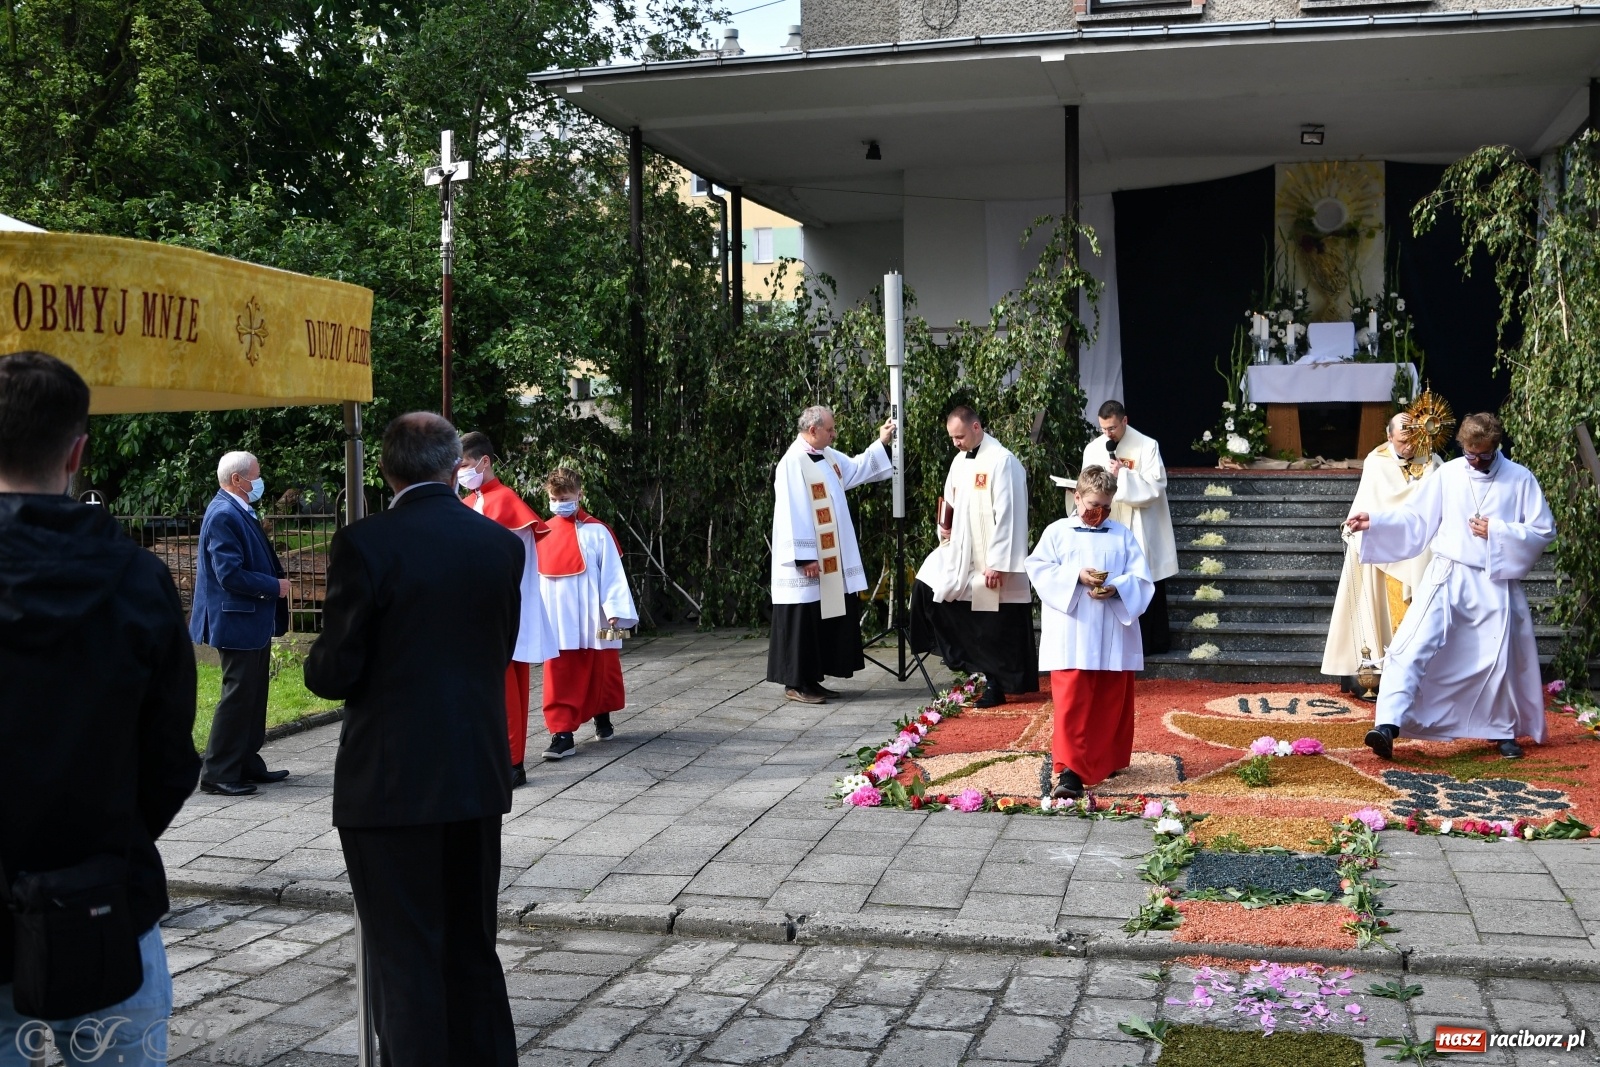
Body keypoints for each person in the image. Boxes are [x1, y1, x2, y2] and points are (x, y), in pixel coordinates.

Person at [0, 351, 199, 1066]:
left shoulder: (136, 576)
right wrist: (111, 834)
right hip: (105, 893)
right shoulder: (139, 579)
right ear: (78, 450)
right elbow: (172, 753)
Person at [305, 412, 522, 1067]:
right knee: (470, 946)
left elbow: (334, 670)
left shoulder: (366, 544)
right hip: (475, 770)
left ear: (386, 469)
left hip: (391, 780)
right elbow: (499, 648)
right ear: (454, 464)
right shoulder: (500, 544)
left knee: (405, 955)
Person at [1345, 413, 1555, 761]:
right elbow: (1416, 518)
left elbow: (1542, 530)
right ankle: (1387, 726)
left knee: (1496, 659)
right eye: (1470, 454)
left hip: (1494, 581)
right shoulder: (1449, 473)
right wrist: (1375, 520)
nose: (1476, 462)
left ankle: (1501, 731)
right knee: (1409, 645)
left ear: (1496, 447)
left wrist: (1499, 532)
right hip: (1447, 573)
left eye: (1483, 455)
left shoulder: (1520, 479)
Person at [1025, 465, 1153, 800]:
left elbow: (1142, 580)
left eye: (1106, 507)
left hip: (1112, 629)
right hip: (1073, 630)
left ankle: (1103, 759)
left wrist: (1117, 588)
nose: (1099, 514)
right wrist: (1075, 577)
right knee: (1072, 701)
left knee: (1109, 700)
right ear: (1076, 497)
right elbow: (1037, 568)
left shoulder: (1122, 535)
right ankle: (1070, 770)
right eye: (1093, 506)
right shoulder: (1057, 532)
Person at [767, 406, 895, 703]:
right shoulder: (792, 462)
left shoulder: (827, 456)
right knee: (803, 619)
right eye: (830, 430)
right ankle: (796, 683)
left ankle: (812, 679)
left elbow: (857, 469)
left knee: (820, 619)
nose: (834, 434)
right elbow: (791, 511)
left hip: (828, 561)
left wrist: (882, 442)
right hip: (808, 563)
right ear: (813, 430)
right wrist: (804, 557)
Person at [912, 405, 1036, 708]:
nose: (956, 442)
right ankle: (959, 657)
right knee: (926, 583)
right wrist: (944, 527)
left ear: (977, 427)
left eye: (960, 436)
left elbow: (1009, 515)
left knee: (991, 622)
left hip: (991, 560)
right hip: (960, 549)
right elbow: (950, 500)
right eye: (952, 437)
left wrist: (998, 563)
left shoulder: (1002, 461)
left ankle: (997, 684)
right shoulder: (959, 461)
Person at [458, 432, 559, 786]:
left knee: (506, 688)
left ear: (484, 462)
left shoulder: (504, 501)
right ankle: (505, 759)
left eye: (466, 466)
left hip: (501, 609)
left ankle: (511, 762)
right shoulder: (473, 501)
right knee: (500, 687)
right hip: (490, 610)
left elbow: (506, 565)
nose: (461, 473)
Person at [189, 449, 291, 796]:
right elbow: (228, 573)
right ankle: (218, 772)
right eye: (256, 475)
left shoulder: (237, 510)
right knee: (238, 695)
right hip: (236, 619)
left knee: (252, 693)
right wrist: (273, 586)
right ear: (237, 479)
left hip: (249, 619)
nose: (259, 482)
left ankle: (245, 762)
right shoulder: (223, 514)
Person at [1321, 413, 1442, 683]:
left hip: (1423, 547)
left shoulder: (1433, 460)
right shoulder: (1376, 461)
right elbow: (1374, 500)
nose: (1409, 446)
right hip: (1384, 544)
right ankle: (1380, 666)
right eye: (1402, 441)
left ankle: (1425, 670)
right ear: (1389, 437)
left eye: (1413, 439)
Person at [536, 467, 639, 759]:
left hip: (595, 615)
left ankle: (601, 714)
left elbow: (612, 574)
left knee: (601, 666)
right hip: (557, 619)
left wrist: (616, 611)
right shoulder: (541, 532)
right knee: (559, 671)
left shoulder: (597, 531)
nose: (561, 503)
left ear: (580, 495)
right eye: (556, 498)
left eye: (566, 497)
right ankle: (562, 732)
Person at [1080, 400, 1176, 654]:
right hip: (1108, 522)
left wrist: (1124, 475)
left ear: (1124, 421)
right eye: (1103, 429)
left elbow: (1155, 488)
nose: (1107, 434)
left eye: (1112, 428)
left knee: (1141, 576)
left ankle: (1149, 642)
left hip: (1139, 524)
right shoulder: (1093, 448)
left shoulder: (1147, 445)